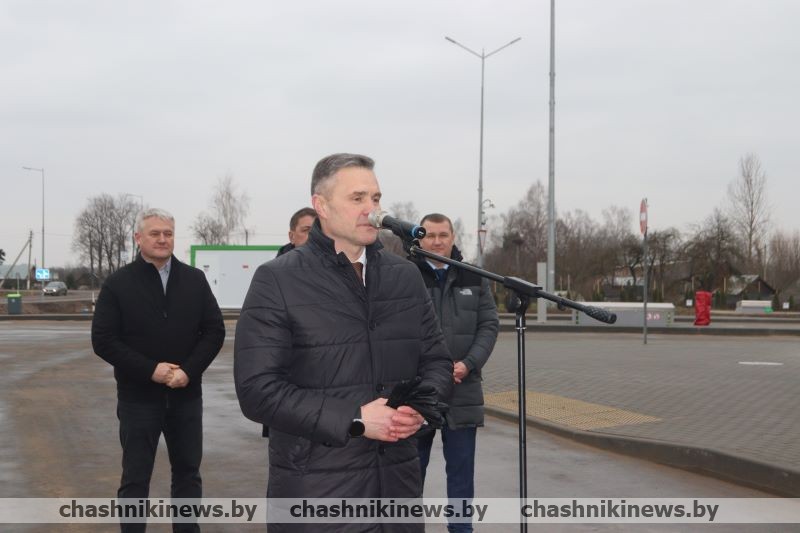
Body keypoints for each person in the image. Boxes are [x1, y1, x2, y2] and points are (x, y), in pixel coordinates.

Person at [234, 153, 453, 532]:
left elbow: (437, 361)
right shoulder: (278, 280)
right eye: (357, 198)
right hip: (317, 493)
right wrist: (355, 419)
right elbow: (257, 390)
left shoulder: (404, 277)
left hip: (397, 491)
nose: (372, 209)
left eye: (376, 198)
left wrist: (420, 407)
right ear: (321, 205)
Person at [92, 208, 225, 533]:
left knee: (188, 474)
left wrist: (188, 372)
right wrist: (151, 370)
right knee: (135, 479)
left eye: (168, 233)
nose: (163, 239)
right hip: (138, 400)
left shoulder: (194, 280)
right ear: (138, 238)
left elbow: (214, 331)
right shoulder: (118, 284)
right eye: (155, 233)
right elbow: (103, 340)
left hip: (186, 398)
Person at [410, 213, 499, 533]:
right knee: (410, 474)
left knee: (461, 475)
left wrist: (469, 363)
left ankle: (461, 529)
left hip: (464, 389)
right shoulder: (405, 275)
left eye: (443, 235)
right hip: (417, 391)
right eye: (430, 235)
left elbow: (489, 325)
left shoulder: (474, 276)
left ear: (453, 237)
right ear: (419, 239)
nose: (436, 241)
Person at [262, 207, 317, 438]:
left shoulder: (340, 274)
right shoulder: (271, 279)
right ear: (291, 236)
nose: (313, 236)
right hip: (288, 392)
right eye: (306, 230)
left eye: (318, 230)